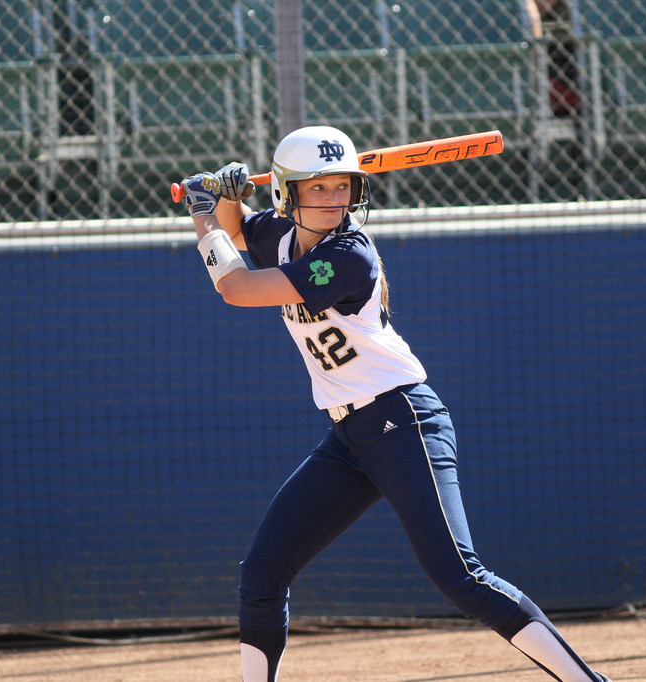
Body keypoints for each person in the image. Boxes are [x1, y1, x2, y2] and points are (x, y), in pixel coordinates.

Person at [181, 125, 610, 682]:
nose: (334, 199)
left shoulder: (348, 254)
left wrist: (203, 212)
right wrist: (225, 194)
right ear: (288, 193)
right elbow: (240, 231)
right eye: (318, 187)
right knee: (261, 574)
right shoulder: (286, 236)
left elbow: (236, 287)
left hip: (403, 420)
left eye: (342, 186)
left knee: (462, 578)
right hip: (349, 438)